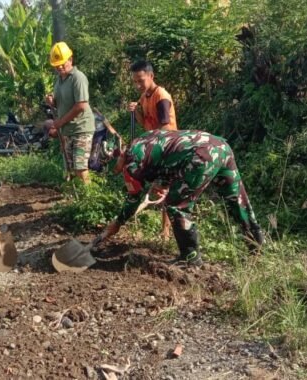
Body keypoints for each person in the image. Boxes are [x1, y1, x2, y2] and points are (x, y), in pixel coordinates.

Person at [101, 130, 265, 267]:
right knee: (236, 199)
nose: (115, 170)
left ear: (118, 156)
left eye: (113, 166)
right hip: (220, 147)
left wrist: (117, 223)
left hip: (200, 156)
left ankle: (190, 257)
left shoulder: (131, 162)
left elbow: (134, 199)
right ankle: (256, 248)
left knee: (176, 206)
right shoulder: (142, 140)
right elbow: (168, 156)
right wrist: (162, 184)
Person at [126, 60, 177, 240]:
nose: (138, 85)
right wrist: (135, 111)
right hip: (155, 146)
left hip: (167, 146)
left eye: (141, 80)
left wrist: (148, 144)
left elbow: (164, 128)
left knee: (164, 187)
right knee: (157, 185)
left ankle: (166, 231)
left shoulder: (161, 96)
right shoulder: (144, 96)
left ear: (151, 76)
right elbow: (144, 122)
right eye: (135, 81)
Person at [45, 41, 95, 184]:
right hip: (67, 130)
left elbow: (81, 105)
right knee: (70, 167)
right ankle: (75, 199)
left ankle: (88, 199)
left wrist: (60, 122)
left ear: (70, 59)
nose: (59, 67)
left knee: (80, 168)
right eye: (56, 65)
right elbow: (59, 102)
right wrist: (51, 101)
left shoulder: (78, 78)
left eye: (62, 63)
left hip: (81, 129)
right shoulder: (59, 80)